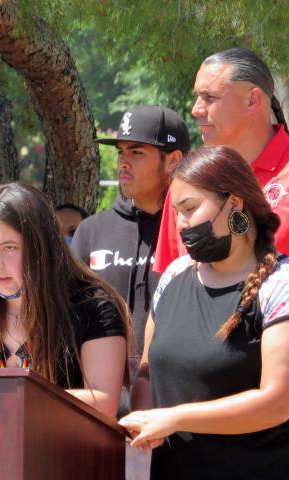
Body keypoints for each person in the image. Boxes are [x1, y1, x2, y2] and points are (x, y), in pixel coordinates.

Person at [153, 48, 289, 475]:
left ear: (254, 100)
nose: (196, 109)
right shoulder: (188, 188)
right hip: (193, 435)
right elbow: (170, 287)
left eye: (209, 97)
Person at [120, 146, 289, 479]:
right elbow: (147, 371)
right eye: (175, 212)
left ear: (234, 204)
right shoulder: (175, 276)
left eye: (190, 208)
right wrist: (145, 417)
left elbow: (276, 402)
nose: (181, 224)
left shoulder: (287, 285)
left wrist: (175, 418)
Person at [72, 104, 190, 373]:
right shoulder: (90, 231)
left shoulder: (192, 231)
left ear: (173, 160)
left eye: (137, 152)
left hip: (172, 389)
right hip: (99, 386)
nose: (123, 162)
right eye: (121, 152)